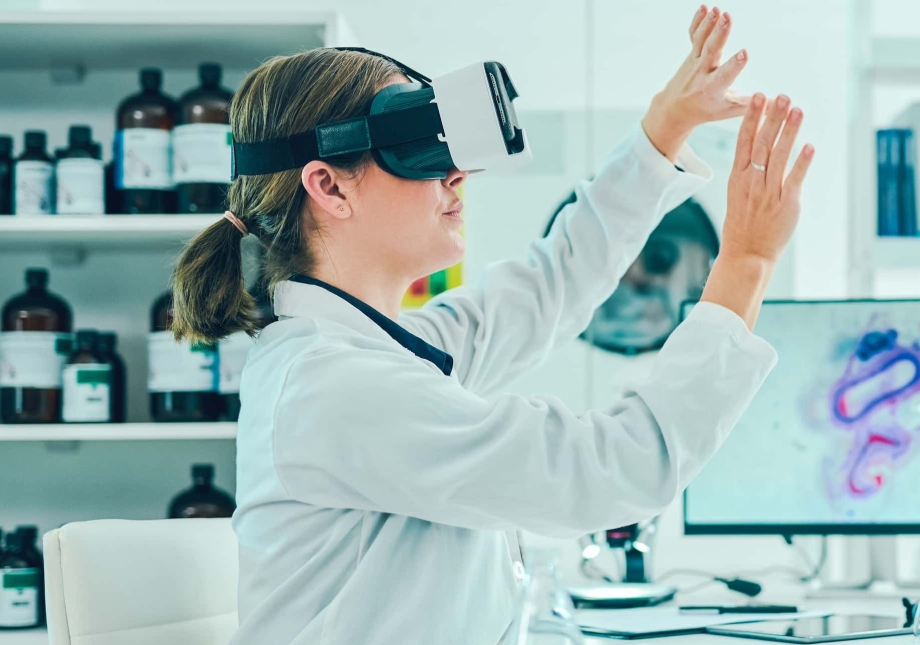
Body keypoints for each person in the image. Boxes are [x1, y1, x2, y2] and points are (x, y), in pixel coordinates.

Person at [170, 5, 813, 644]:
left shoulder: (381, 352)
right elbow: (615, 471)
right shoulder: (334, 387)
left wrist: (665, 130)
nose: (455, 173)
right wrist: (748, 262)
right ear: (330, 188)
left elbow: (550, 286)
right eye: (415, 150)